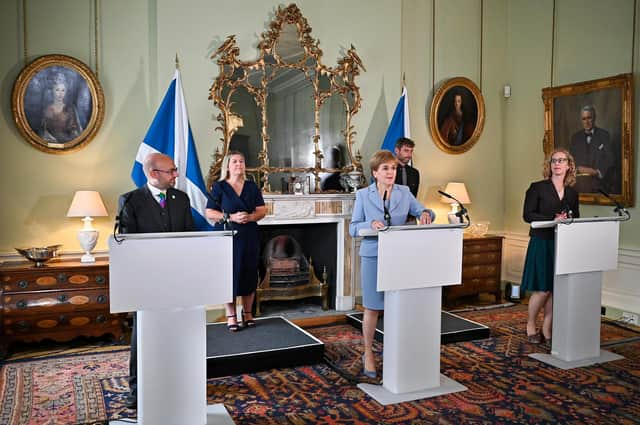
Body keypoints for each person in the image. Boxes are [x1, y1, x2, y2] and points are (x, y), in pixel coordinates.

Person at [117, 152, 195, 409]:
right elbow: (129, 245)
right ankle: (137, 392)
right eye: (171, 171)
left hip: (178, 280)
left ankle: (179, 385)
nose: (176, 175)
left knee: (178, 334)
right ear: (153, 173)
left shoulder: (181, 199)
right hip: (148, 283)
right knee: (144, 337)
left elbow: (189, 238)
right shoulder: (130, 201)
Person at [349, 150, 435, 378]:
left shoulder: (404, 192)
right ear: (375, 172)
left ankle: (397, 352)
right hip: (373, 255)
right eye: (385, 168)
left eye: (394, 168)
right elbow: (353, 227)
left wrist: (426, 214)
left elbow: (424, 210)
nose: (391, 172)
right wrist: (370, 223)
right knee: (373, 307)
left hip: (400, 255)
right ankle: (368, 353)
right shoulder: (363, 195)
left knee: (398, 306)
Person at [521, 148, 579, 344]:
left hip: (562, 244)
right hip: (541, 241)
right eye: (554, 160)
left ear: (569, 165)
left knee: (555, 288)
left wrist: (568, 219)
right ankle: (530, 324)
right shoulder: (537, 188)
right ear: (549, 165)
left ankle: (546, 328)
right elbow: (528, 215)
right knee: (542, 288)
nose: (557, 164)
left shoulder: (572, 193)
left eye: (561, 160)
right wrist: (553, 218)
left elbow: (575, 217)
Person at [205, 151, 266, 332]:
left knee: (249, 273)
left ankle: (247, 313)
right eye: (235, 161)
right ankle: (231, 315)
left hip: (250, 235)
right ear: (228, 166)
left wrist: (251, 217)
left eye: (242, 161)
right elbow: (209, 212)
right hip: (227, 236)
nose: (239, 164)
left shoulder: (252, 187)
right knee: (229, 275)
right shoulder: (219, 187)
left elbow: (262, 210)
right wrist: (230, 217)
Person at [569, 105, 616, 193]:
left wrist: (597, 172)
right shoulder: (575, 138)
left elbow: (610, 159)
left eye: (589, 118)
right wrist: (578, 168)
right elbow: (570, 160)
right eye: (584, 119)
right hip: (580, 187)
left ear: (594, 118)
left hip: (600, 186)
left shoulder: (604, 135)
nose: (586, 122)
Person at [41, 74, 83, 143]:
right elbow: (43, 130)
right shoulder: (46, 109)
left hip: (68, 143)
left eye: (63, 90)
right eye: (57, 90)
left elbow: (75, 130)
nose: (60, 93)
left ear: (65, 92)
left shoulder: (70, 109)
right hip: (50, 143)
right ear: (52, 91)